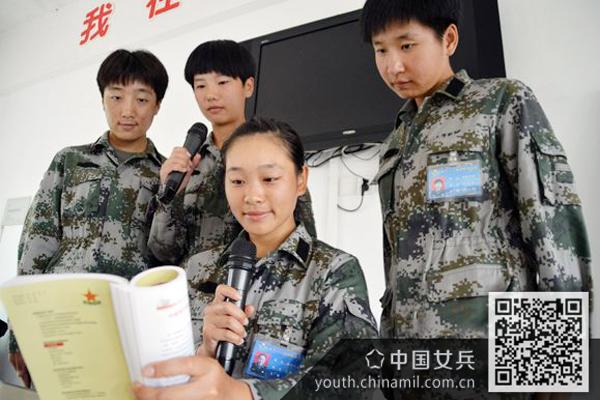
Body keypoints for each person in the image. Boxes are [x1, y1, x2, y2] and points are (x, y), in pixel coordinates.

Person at [361, 0, 592, 338]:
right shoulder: (395, 142)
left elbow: (556, 236)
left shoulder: (502, 103)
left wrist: (557, 360)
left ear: (448, 39)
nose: (393, 65)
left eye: (407, 45)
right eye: (381, 50)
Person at [133, 117, 377, 400]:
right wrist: (206, 351)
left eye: (269, 179)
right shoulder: (198, 268)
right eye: (237, 181)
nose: (252, 196)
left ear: (301, 180)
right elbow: (171, 375)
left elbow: (351, 380)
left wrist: (241, 393)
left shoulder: (333, 272)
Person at [9, 48, 168, 388]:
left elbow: (169, 255)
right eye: (116, 97)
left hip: (128, 324)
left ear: (157, 105)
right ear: (102, 99)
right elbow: (36, 242)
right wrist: (19, 333)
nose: (128, 110)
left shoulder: (167, 174)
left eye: (141, 99)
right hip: (61, 313)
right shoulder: (69, 161)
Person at [148, 40, 316, 266]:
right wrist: (170, 195)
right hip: (194, 286)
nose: (211, 95)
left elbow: (305, 248)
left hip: (255, 285)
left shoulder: (275, 154)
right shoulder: (188, 163)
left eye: (222, 82)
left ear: (248, 86)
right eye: (201, 86)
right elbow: (163, 253)